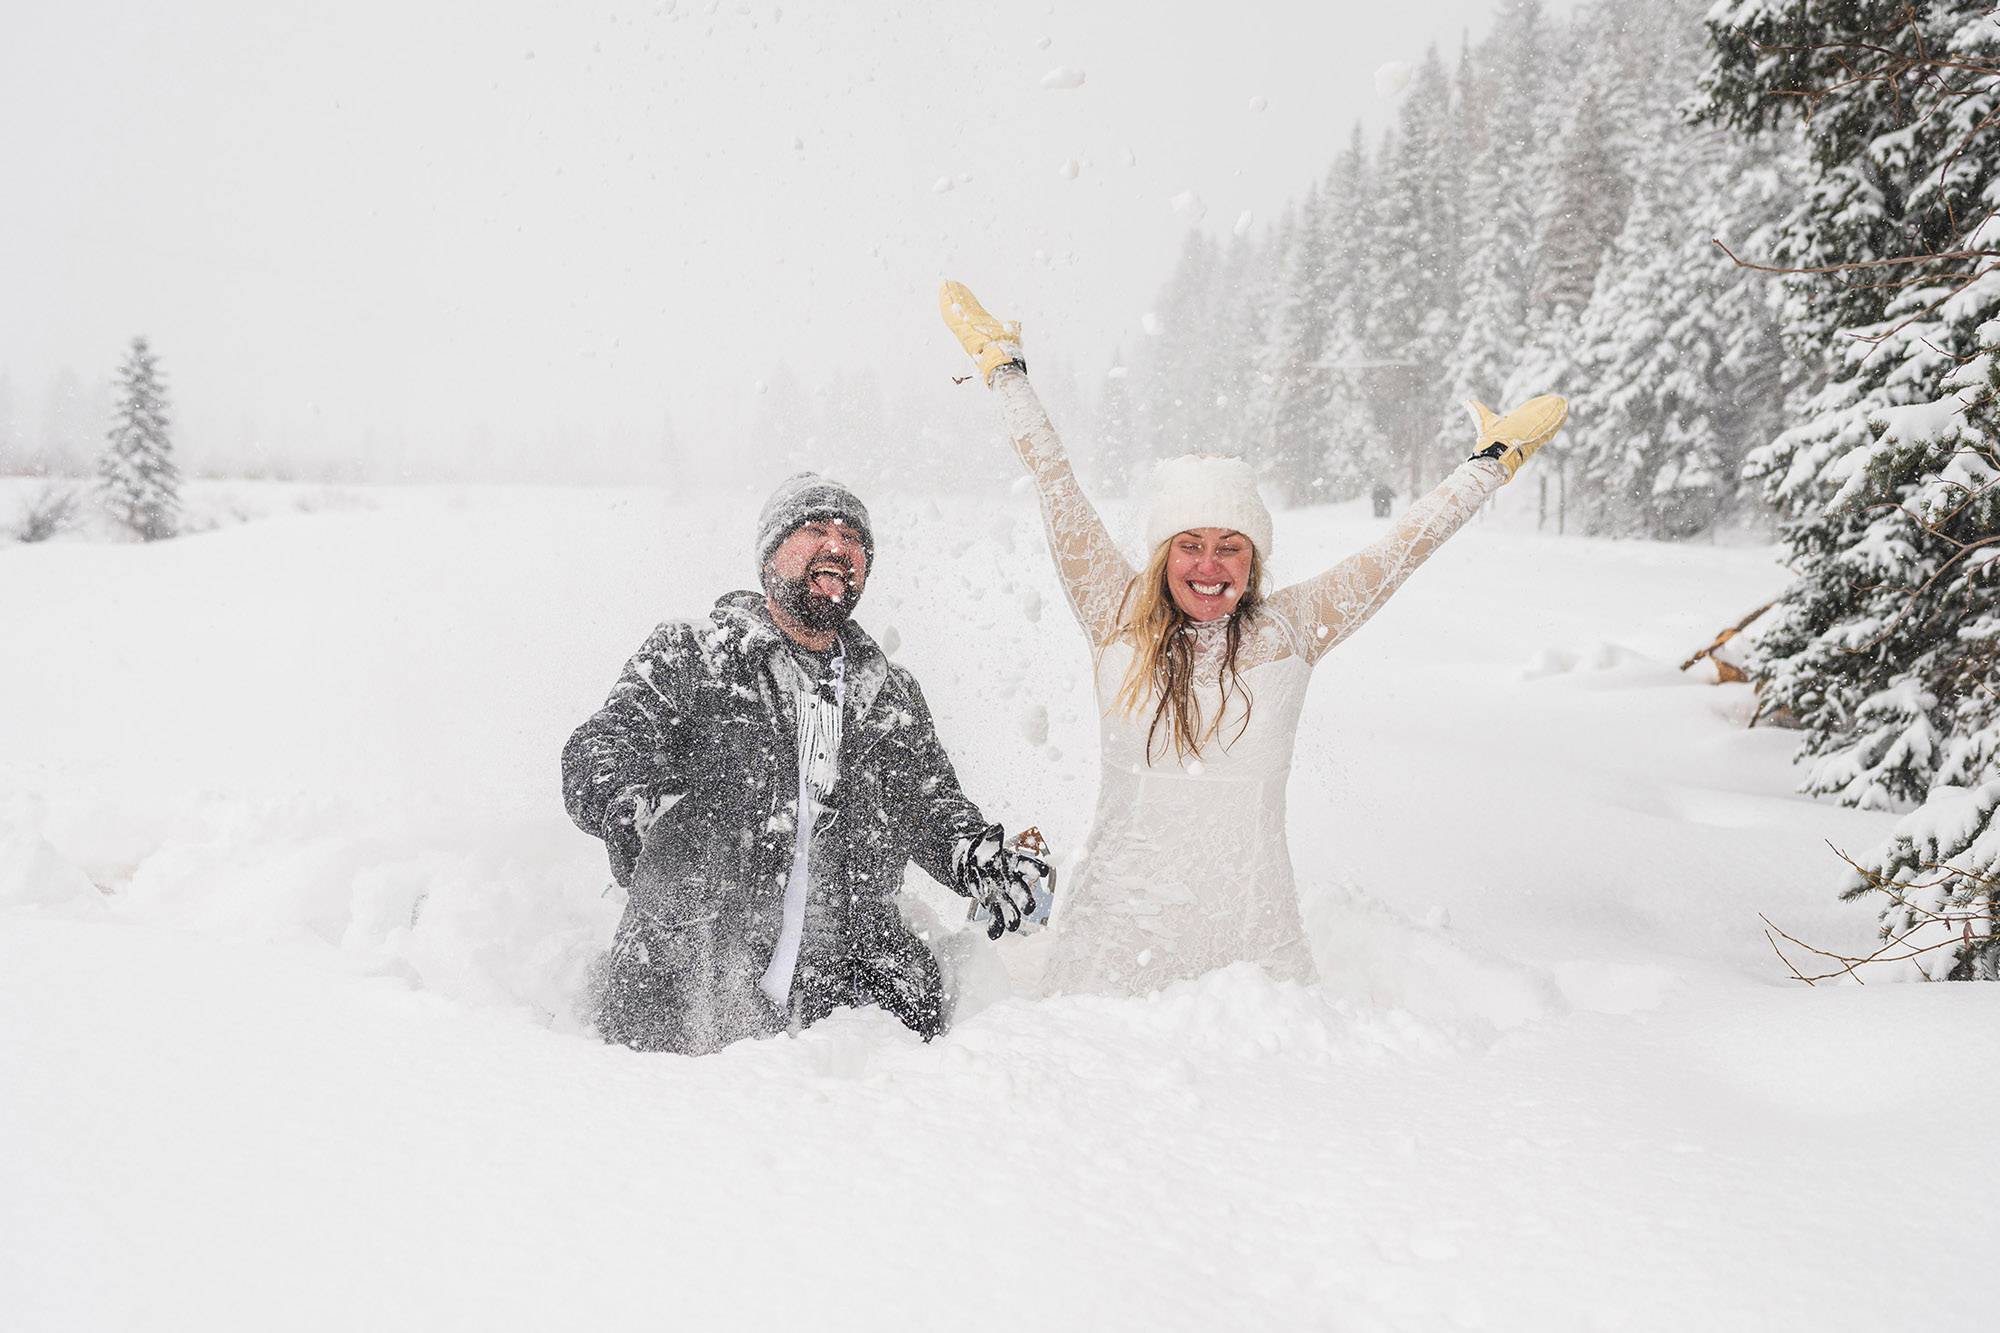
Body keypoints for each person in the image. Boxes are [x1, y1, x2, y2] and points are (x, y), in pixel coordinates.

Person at [939, 281, 1565, 997]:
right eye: (1191, 543)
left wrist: (1485, 465)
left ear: (1255, 559)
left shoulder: (1289, 630)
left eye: (1231, 546)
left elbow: (1398, 552)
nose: (1209, 566)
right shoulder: (1116, 614)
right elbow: (1054, 480)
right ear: (1162, 552)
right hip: (1109, 956)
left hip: (1254, 966)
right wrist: (1004, 370)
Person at [562, 472, 1049, 1054]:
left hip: (849, 987)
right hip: (693, 972)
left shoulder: (886, 694)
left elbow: (930, 807)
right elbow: (600, 750)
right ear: (771, 555)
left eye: (853, 540)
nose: (838, 547)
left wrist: (982, 862)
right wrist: (640, 809)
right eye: (815, 529)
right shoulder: (696, 656)